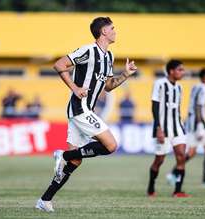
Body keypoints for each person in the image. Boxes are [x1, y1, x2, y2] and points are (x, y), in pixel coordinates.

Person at [36, 16, 138, 212]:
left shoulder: (109, 57)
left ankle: (45, 199)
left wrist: (125, 74)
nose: (115, 31)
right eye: (112, 28)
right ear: (103, 32)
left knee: (75, 161)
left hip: (84, 110)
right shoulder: (87, 51)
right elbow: (59, 65)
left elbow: (108, 86)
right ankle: (63, 154)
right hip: (80, 108)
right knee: (111, 146)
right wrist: (74, 87)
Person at [147, 59, 190, 198]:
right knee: (159, 160)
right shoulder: (159, 84)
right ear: (171, 71)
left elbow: (176, 109)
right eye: (180, 70)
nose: (182, 72)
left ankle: (177, 191)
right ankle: (151, 187)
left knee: (181, 156)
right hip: (162, 128)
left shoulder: (179, 87)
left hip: (177, 127)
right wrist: (158, 127)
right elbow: (154, 106)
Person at [167, 68, 205, 187]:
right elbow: (198, 106)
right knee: (202, 151)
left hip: (192, 120)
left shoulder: (196, 86)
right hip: (198, 122)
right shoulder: (203, 89)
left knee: (199, 151)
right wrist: (200, 125)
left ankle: (174, 173)